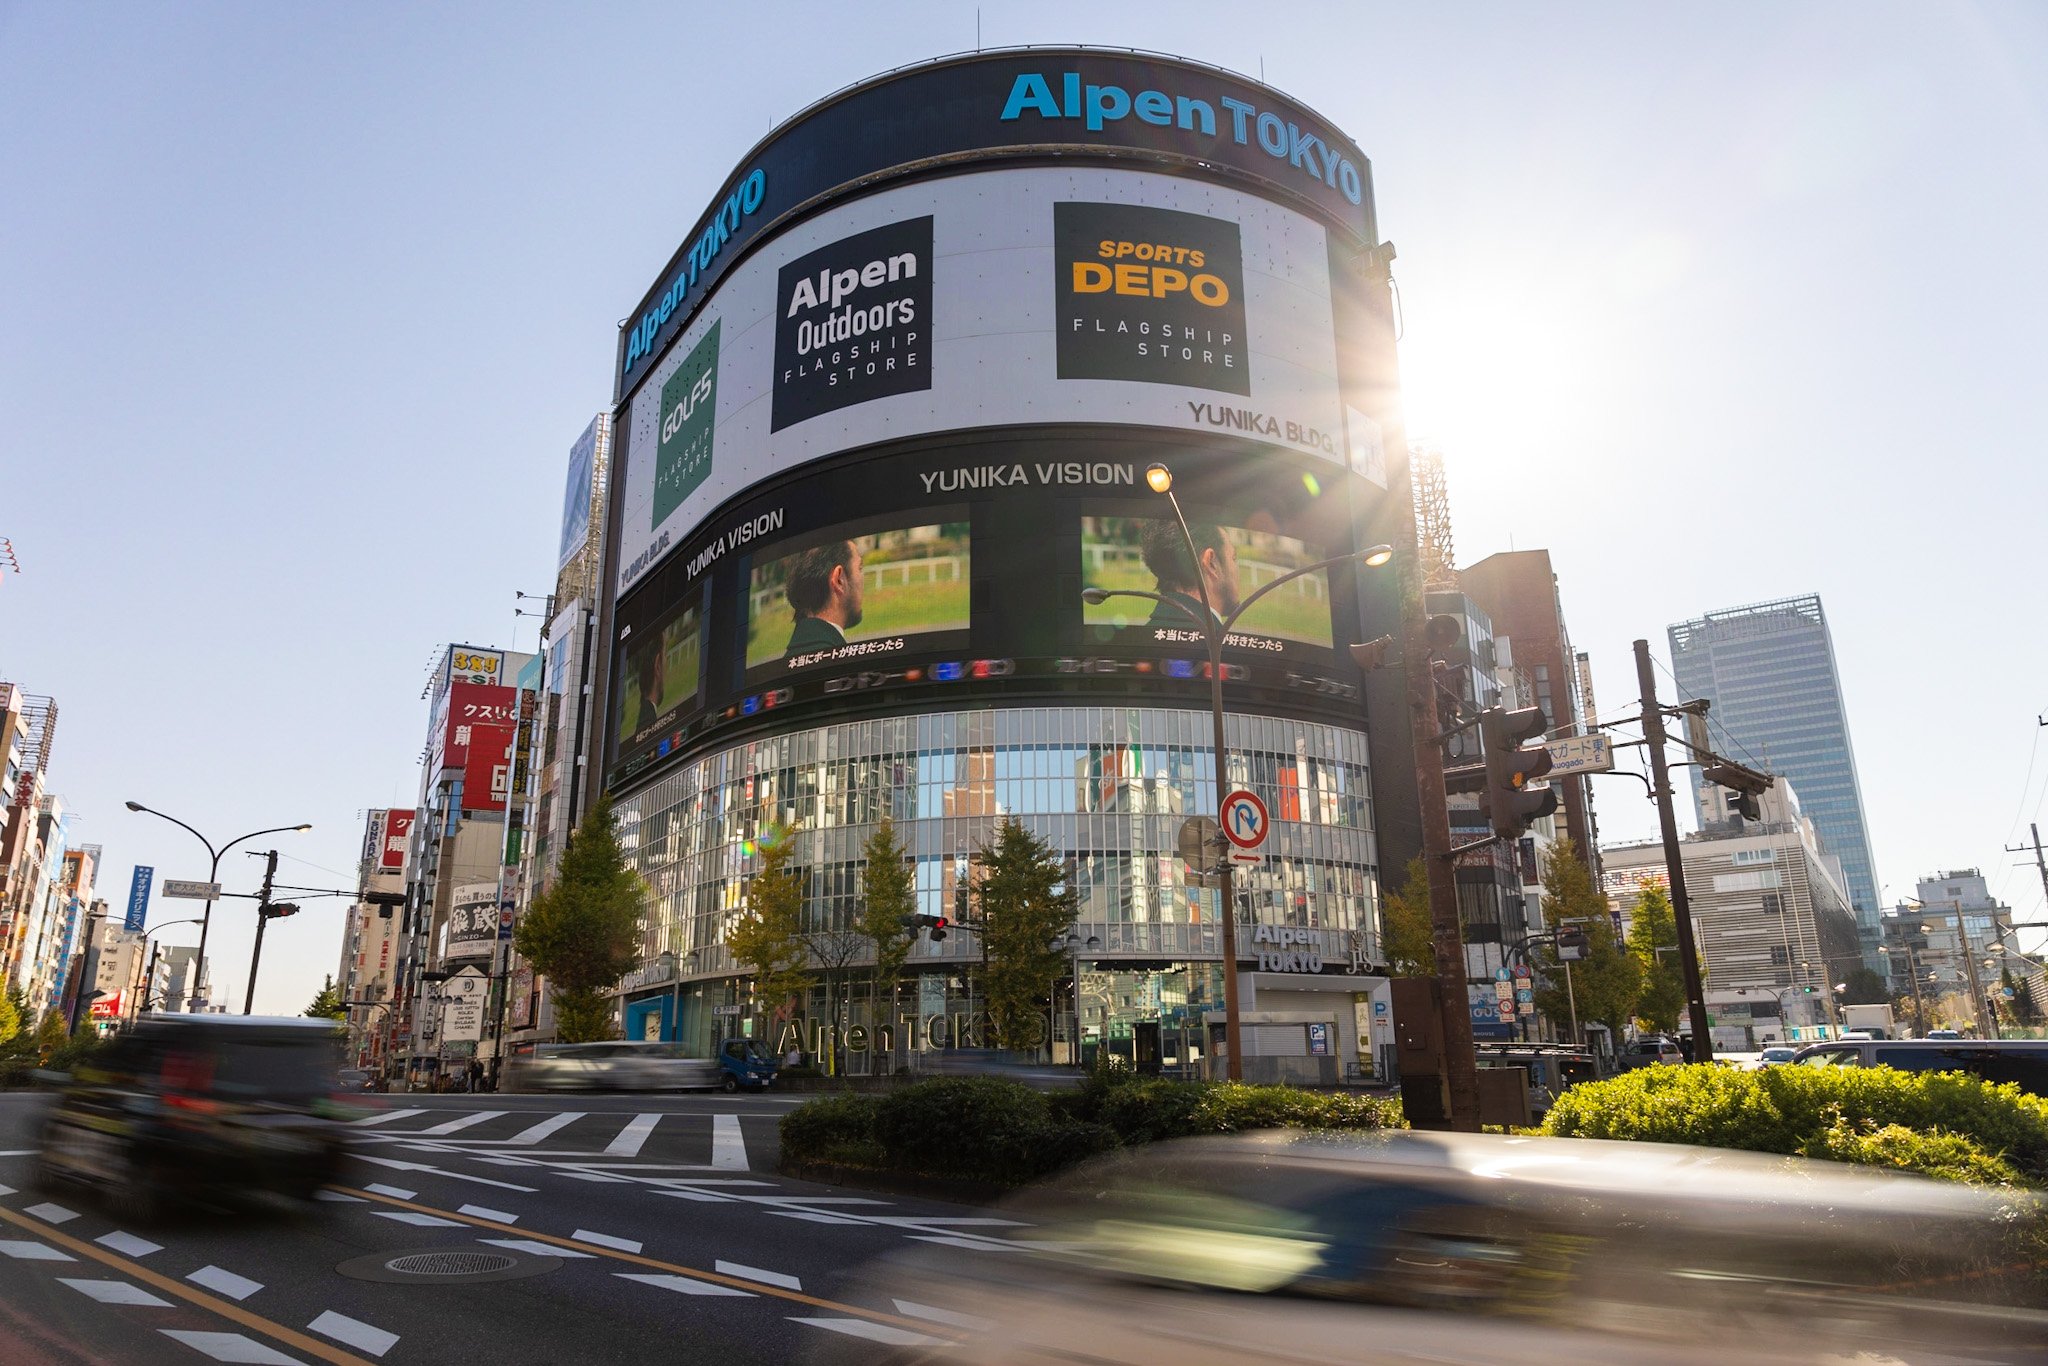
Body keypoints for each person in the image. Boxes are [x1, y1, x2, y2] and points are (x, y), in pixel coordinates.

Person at [1139, 520, 1241, 630]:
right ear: (1211, 563)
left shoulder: (1138, 638)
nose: (1237, 568)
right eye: (1233, 558)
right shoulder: (1223, 645)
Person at [783, 538, 864, 656]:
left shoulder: (790, 658)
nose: (863, 577)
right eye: (860, 568)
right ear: (839, 580)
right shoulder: (839, 662)